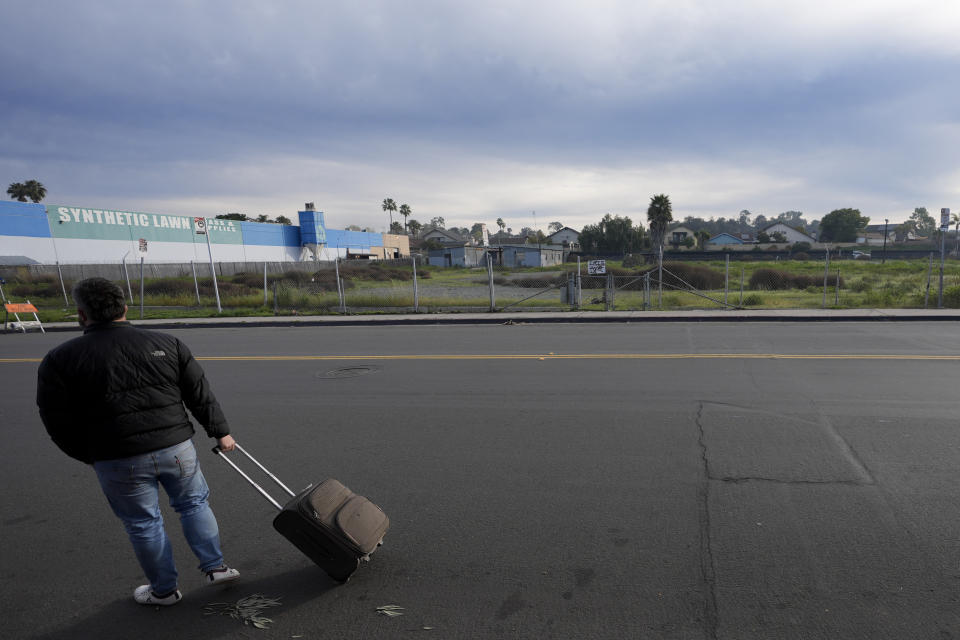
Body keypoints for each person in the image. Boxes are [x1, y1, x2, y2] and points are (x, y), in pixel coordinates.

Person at [37, 277, 240, 606]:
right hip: (176, 447)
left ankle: (164, 591)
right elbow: (199, 394)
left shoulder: (60, 359)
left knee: (143, 523)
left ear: (81, 314)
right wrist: (220, 432)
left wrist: (90, 455)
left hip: (117, 457)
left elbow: (56, 420)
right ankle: (216, 567)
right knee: (194, 505)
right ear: (124, 308)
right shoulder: (166, 342)